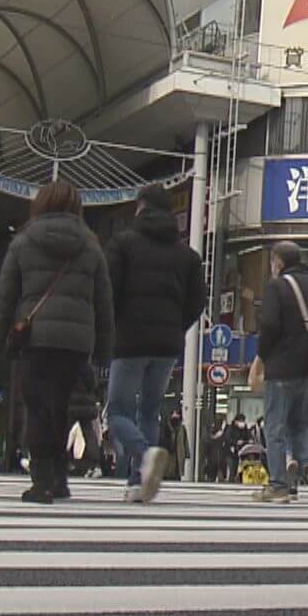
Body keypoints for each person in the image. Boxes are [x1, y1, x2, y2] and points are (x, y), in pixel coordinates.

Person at [0, 180, 115, 505]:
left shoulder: (23, 242)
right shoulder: (91, 247)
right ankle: (59, 478)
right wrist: (103, 349)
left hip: (37, 338)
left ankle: (42, 481)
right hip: (76, 343)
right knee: (60, 408)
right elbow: (104, 303)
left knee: (38, 409)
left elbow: (4, 299)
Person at [104, 183, 206, 504]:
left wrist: (114, 326)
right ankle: (139, 481)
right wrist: (177, 327)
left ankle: (145, 454)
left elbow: (110, 291)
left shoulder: (123, 244)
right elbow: (197, 301)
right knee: (150, 409)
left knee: (117, 410)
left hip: (130, 339)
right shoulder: (187, 256)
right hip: (167, 344)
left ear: (141, 206)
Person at [255, 241, 308, 504]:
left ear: (278, 262)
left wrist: (263, 356)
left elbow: (268, 324)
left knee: (275, 427)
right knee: (298, 425)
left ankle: (278, 485)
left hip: (280, 366)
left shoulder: (276, 287)